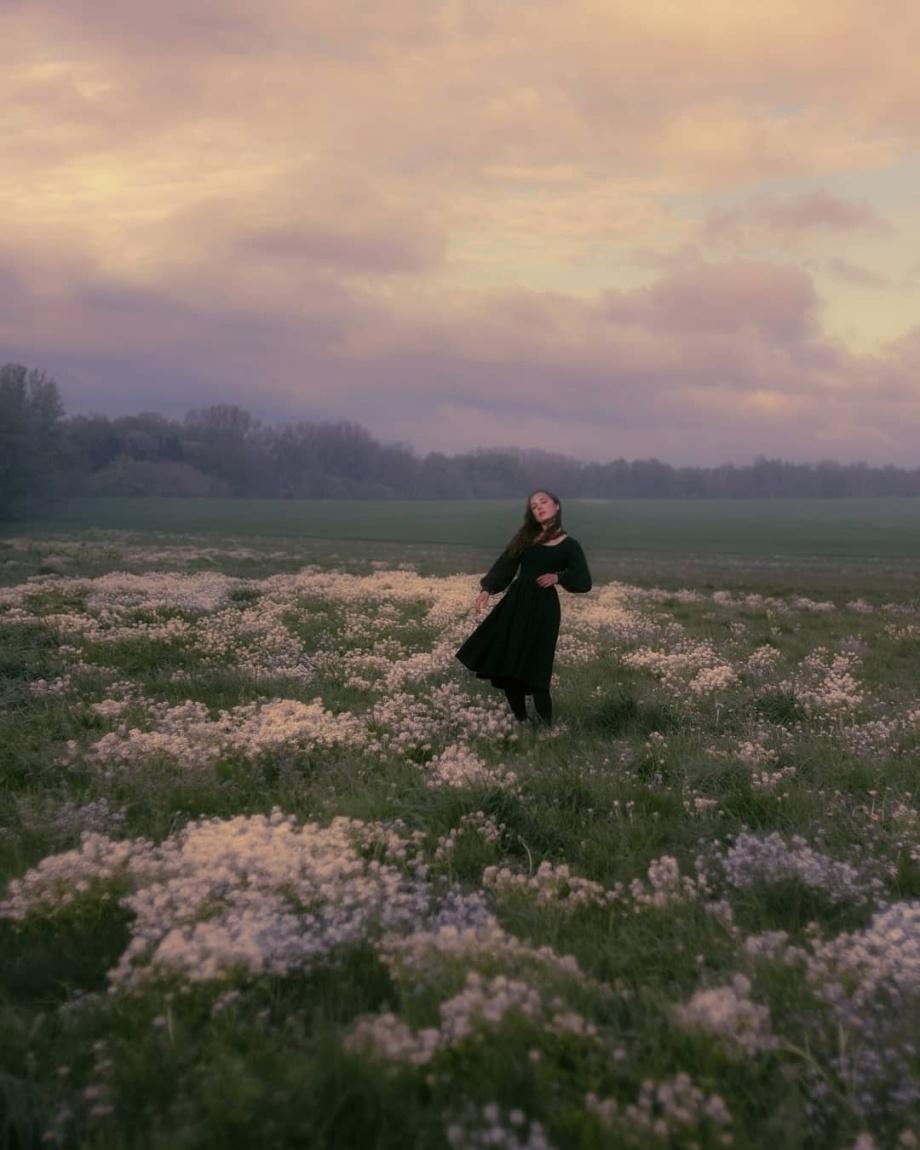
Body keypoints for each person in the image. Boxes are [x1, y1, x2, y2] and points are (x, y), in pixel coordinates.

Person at [455, 490, 592, 725]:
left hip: (544, 611)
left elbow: (584, 581)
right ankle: (522, 722)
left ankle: (548, 726)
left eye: (544, 502)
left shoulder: (570, 546)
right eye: (534, 505)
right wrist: (487, 589)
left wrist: (558, 577)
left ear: (557, 506)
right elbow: (505, 565)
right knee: (508, 666)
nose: (538, 507)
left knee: (538, 670)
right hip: (515, 605)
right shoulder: (525, 537)